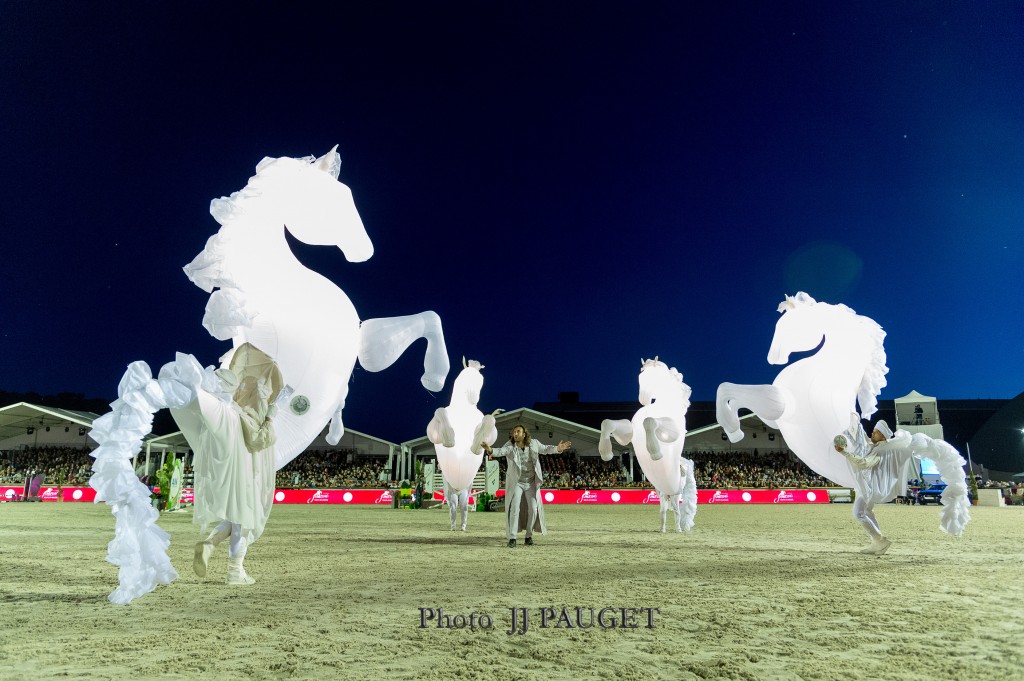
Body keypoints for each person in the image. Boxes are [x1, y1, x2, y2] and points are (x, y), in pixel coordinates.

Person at [181, 343, 282, 585]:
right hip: (248, 474)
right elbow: (259, 440)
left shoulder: (233, 412)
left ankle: (209, 544)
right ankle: (235, 571)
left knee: (238, 515)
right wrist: (270, 417)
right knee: (245, 521)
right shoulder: (252, 419)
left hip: (235, 471)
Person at [833, 414, 918, 556]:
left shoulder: (881, 450)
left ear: (883, 436)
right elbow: (864, 438)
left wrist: (844, 452)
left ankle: (879, 540)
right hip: (870, 486)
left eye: (876, 432)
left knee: (858, 513)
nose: (872, 433)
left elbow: (864, 463)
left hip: (869, 488)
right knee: (867, 512)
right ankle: (878, 542)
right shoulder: (878, 446)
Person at [482, 424, 570, 547]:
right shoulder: (510, 446)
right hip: (516, 482)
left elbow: (545, 449)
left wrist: (558, 448)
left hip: (531, 482)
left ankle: (528, 535)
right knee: (514, 508)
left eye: (518, 431)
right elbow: (500, 452)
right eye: (514, 432)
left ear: (524, 434)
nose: (515, 434)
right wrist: (490, 449)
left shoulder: (534, 443)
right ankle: (512, 538)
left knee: (534, 509)